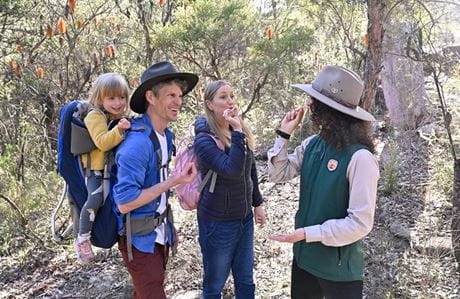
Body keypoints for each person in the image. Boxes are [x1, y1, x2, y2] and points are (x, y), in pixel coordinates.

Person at [267, 65, 380, 299]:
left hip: (338, 270)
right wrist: (283, 135)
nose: (309, 106)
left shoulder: (360, 158)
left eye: (315, 101)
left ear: (330, 110)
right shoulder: (313, 144)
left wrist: (308, 233)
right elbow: (278, 174)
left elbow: (360, 223)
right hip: (304, 260)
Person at [113, 61, 198, 298]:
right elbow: (125, 202)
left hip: (158, 234)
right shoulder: (137, 144)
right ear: (150, 97)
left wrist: (169, 227)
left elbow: (157, 187)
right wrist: (173, 181)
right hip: (139, 240)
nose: (178, 101)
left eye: (180, 95)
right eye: (171, 95)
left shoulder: (165, 135)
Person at [193, 80, 266, 299]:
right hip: (218, 223)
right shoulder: (204, 140)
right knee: (214, 285)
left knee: (245, 281)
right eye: (223, 97)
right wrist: (237, 131)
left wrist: (258, 204)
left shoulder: (238, 129)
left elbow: (249, 168)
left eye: (232, 96)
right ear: (210, 104)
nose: (230, 101)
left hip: (244, 220)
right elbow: (232, 170)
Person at [74, 72, 131, 263]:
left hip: (110, 169)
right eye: (111, 98)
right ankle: (82, 238)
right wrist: (120, 129)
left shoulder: (114, 115)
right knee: (95, 198)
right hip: (95, 171)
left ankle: (121, 230)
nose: (118, 103)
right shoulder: (94, 116)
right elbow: (103, 142)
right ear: (100, 98)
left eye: (122, 97)